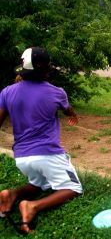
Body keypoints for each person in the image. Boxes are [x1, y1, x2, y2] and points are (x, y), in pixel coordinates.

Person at [0, 47, 83, 234]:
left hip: (21, 158)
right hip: (47, 153)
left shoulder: (7, 92)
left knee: (38, 184)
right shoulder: (56, 92)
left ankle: (12, 194)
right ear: (44, 68)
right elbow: (67, 109)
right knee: (73, 188)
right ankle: (33, 207)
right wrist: (72, 114)